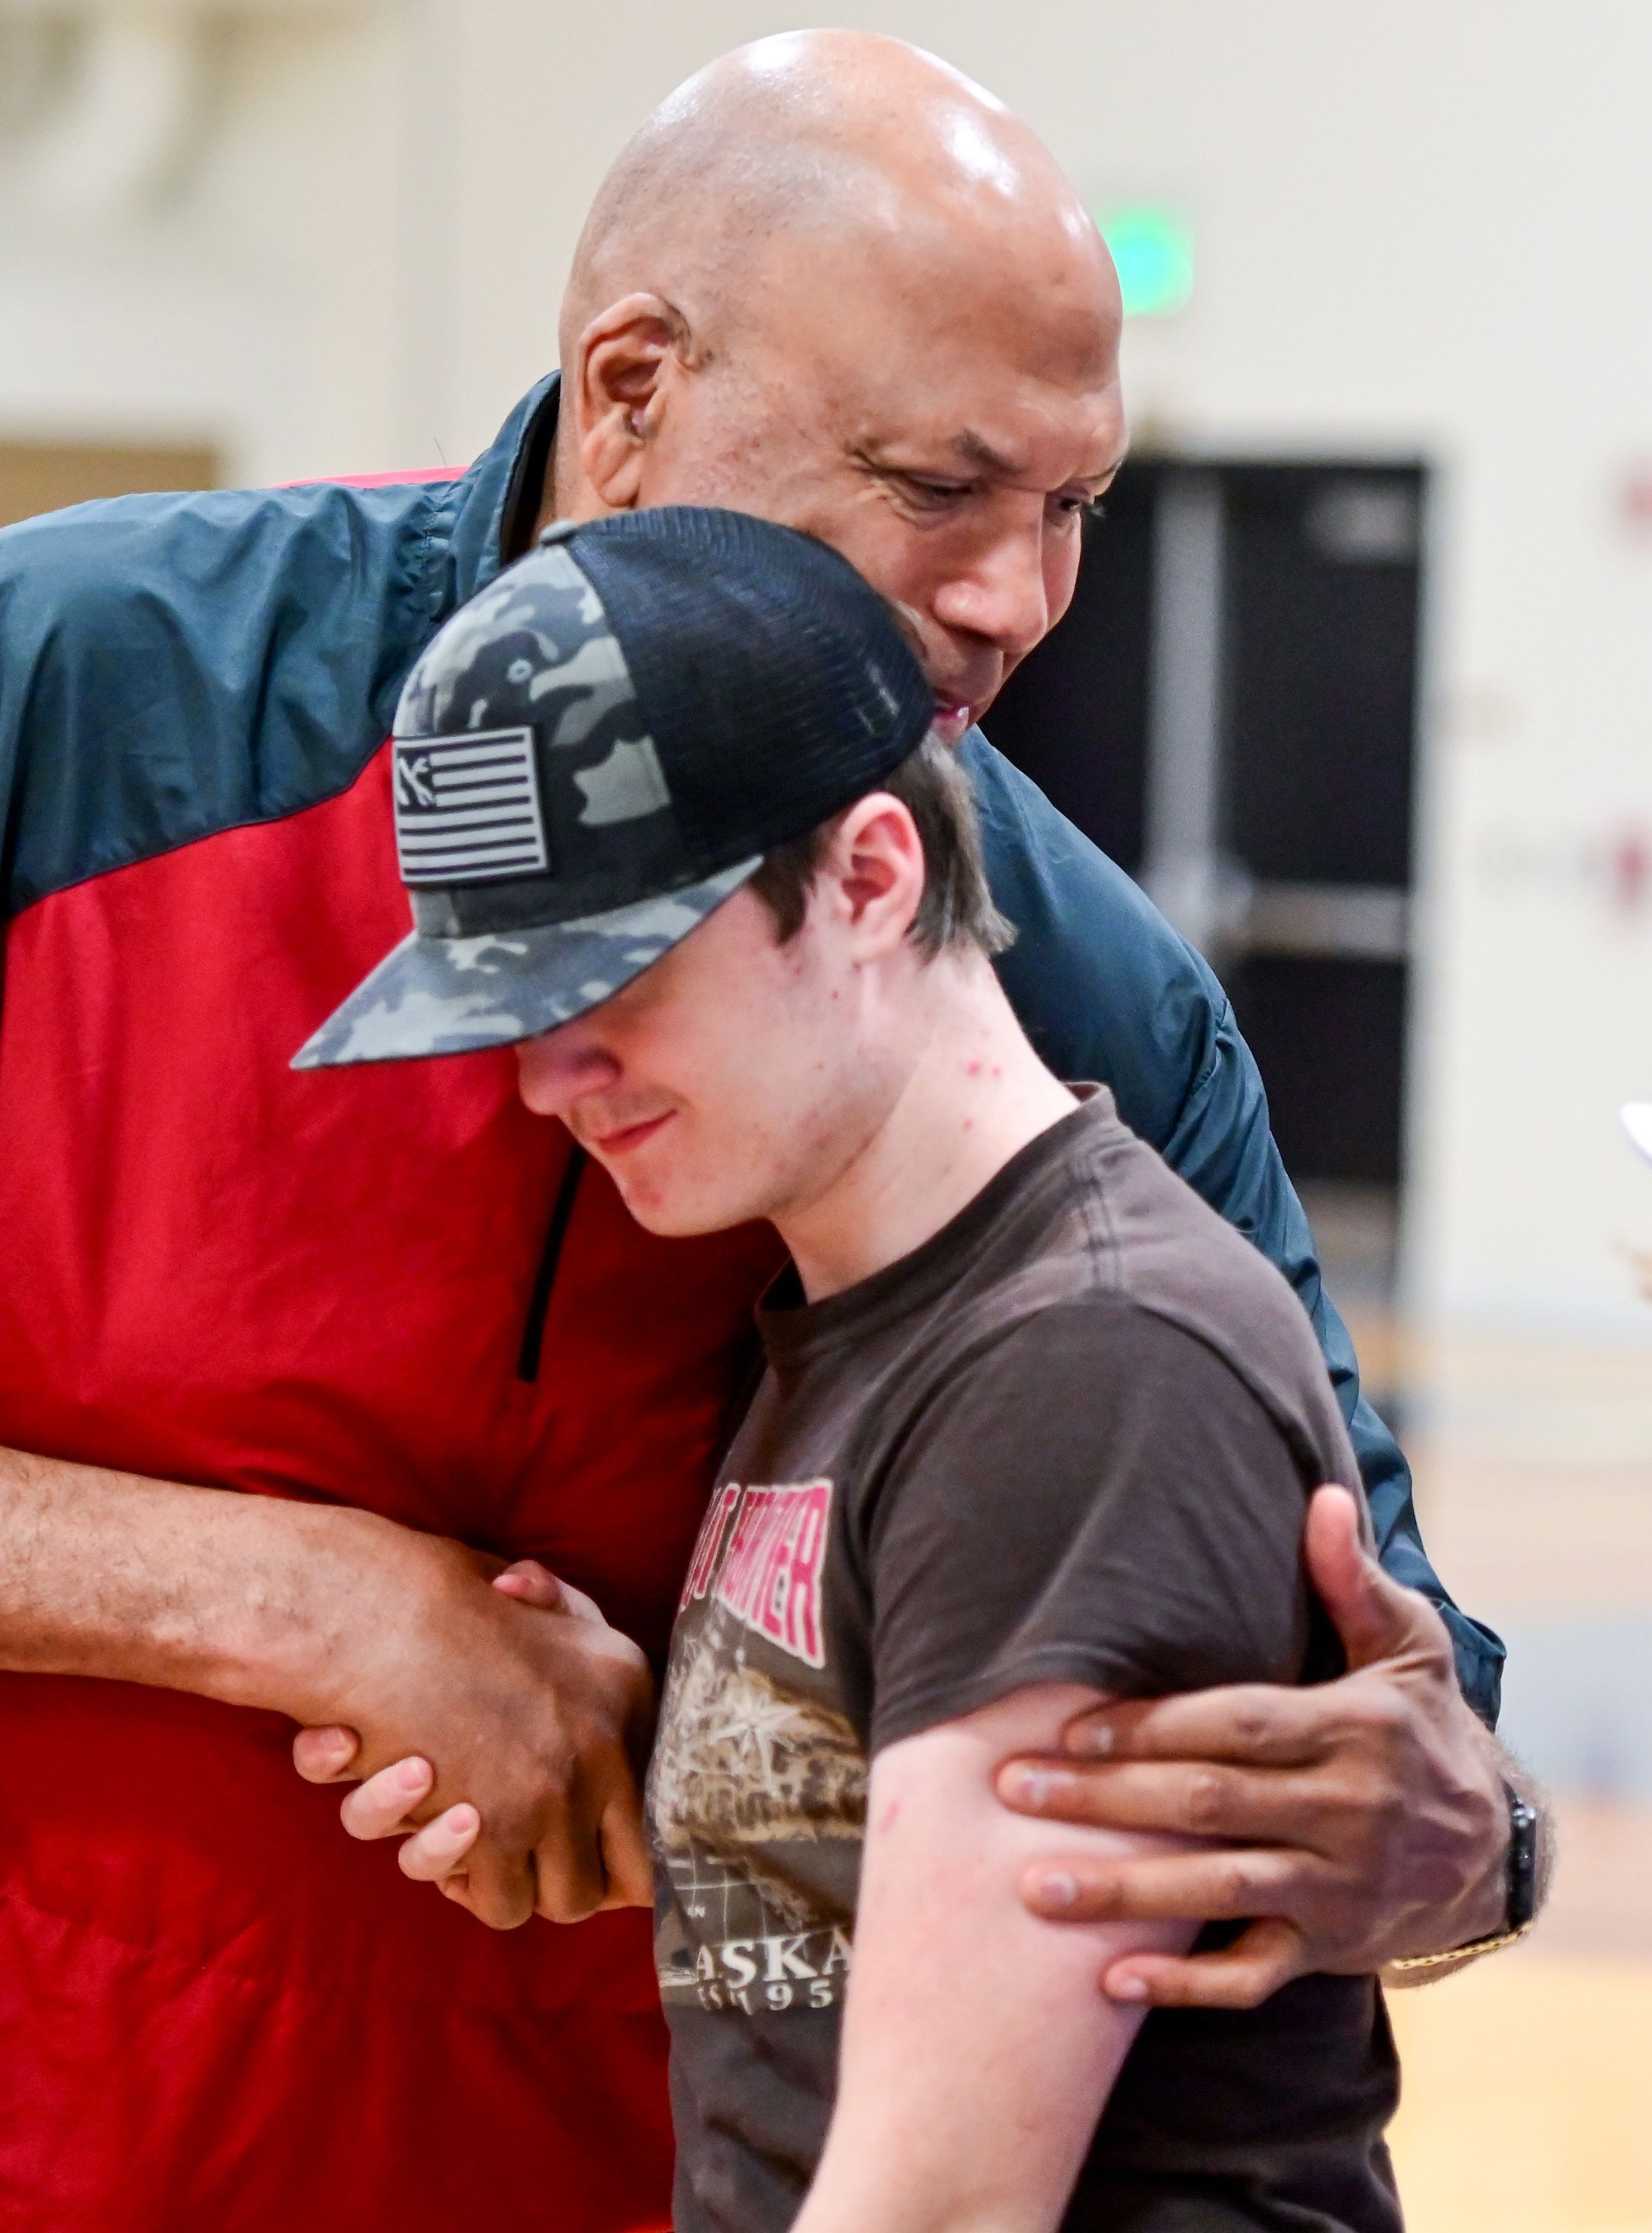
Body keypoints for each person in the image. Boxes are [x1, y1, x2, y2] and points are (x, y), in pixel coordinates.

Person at [0, 30, 1513, 2233]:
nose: (1016, 597)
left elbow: (1384, 1664)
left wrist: (1466, 1831)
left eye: (1074, 507)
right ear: (633, 380)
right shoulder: (30, 696)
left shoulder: (1072, 981)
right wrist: (298, 1596)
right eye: (935, 484)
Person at [296, 503, 1455, 2229]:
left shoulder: (1083, 1364)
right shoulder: (874, 1319)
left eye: (614, 974)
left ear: (870, 876)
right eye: (513, 1010)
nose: (551, 1078)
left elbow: (940, 2206)